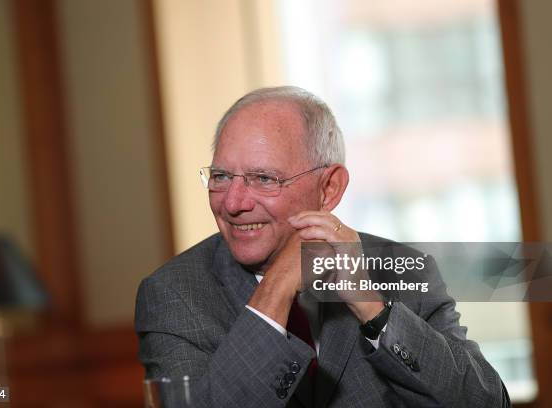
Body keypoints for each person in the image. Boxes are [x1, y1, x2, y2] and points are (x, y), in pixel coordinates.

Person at [135, 86, 509, 407]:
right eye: (220, 176)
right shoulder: (173, 294)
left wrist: (376, 312)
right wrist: (276, 288)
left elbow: (487, 401)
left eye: (263, 178)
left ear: (329, 188)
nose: (232, 203)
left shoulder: (401, 267)